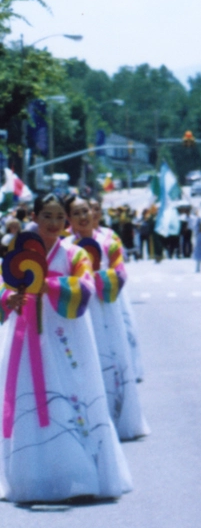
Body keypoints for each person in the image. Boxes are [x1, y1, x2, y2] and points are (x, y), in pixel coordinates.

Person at [0, 193, 133, 503]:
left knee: (71, 395)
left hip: (67, 337)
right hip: (25, 336)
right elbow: (4, 285)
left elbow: (87, 286)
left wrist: (48, 285)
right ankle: (31, 477)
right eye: (47, 216)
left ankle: (81, 473)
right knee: (28, 400)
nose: (54, 223)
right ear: (34, 217)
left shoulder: (74, 254)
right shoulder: (18, 251)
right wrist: (10, 299)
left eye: (60, 217)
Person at [66, 195, 148, 441]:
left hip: (105, 308)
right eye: (77, 213)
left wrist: (95, 280)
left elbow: (120, 274)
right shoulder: (67, 247)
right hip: (80, 313)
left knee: (112, 359)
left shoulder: (108, 241)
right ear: (69, 219)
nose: (83, 217)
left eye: (86, 211)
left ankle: (119, 418)